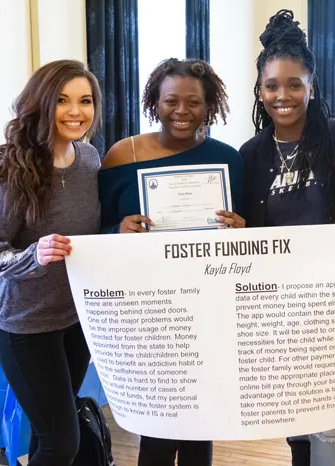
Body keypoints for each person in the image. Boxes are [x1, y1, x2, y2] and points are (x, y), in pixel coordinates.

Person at [98, 58, 244, 466]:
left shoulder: (228, 159)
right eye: (171, 101)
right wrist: (117, 231)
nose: (182, 111)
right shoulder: (121, 156)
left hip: (209, 304)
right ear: (154, 103)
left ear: (209, 105)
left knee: (202, 416)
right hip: (149, 309)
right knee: (158, 420)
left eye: (194, 102)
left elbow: (248, 233)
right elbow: (95, 229)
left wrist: (239, 227)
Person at [0, 60, 103, 465]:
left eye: (85, 101)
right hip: (23, 325)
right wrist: (34, 255)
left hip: (74, 321)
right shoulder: (13, 170)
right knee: (61, 443)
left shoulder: (91, 159)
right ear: (42, 104)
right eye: (62, 101)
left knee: (51, 437)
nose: (76, 112)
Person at [239, 9, 335, 466]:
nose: (282, 95)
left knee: (330, 415)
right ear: (260, 91)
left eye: (294, 84)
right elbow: (248, 228)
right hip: (277, 302)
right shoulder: (250, 154)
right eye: (272, 86)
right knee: (292, 412)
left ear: (312, 86)